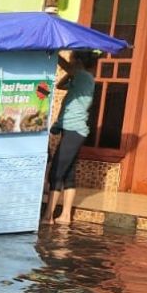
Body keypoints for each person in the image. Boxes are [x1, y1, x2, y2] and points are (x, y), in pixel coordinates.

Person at [44, 50, 98, 225]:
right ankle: (65, 216)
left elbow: (66, 67)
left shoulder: (83, 76)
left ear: (79, 62)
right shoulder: (80, 79)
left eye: (73, 60)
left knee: (56, 172)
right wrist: (70, 72)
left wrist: (55, 51)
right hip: (72, 130)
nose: (70, 63)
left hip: (74, 130)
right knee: (68, 174)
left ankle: (48, 216)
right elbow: (60, 86)